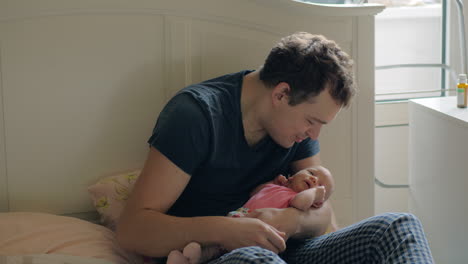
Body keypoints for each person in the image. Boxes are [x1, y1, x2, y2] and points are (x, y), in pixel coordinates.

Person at [116, 32, 434, 263]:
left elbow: (323, 216)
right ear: (281, 94)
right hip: (214, 257)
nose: (314, 133)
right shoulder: (195, 116)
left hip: (291, 251)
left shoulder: (294, 128)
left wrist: (289, 222)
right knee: (256, 260)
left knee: (399, 225)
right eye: (312, 121)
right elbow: (133, 231)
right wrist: (225, 231)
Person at [167, 166, 334, 264]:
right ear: (293, 175)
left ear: (317, 203)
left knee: (227, 250)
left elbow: (301, 204)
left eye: (320, 185)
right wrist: (273, 184)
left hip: (262, 240)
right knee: (215, 246)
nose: (314, 181)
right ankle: (190, 258)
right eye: (312, 174)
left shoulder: (298, 199)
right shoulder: (279, 187)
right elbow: (256, 193)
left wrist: (314, 193)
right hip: (239, 218)